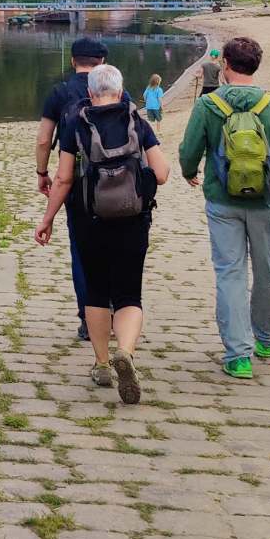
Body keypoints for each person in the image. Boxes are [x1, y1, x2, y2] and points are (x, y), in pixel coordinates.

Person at [179, 35, 270, 379]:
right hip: (266, 202)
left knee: (230, 272)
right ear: (256, 65)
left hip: (222, 201)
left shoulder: (208, 105)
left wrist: (189, 171)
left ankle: (238, 355)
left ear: (225, 64)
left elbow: (189, 150)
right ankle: (266, 338)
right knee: (267, 270)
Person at [35, 63, 171, 403]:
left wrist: (48, 218)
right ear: (122, 90)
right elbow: (163, 172)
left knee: (97, 291)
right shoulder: (136, 121)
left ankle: (101, 364)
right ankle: (125, 351)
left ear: (90, 92)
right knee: (129, 293)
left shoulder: (76, 124)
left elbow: (64, 179)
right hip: (133, 218)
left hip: (88, 219)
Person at [37, 37, 107, 341]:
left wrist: (42, 172)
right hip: (116, 183)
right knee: (114, 247)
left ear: (72, 61)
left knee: (81, 249)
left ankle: (87, 318)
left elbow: (43, 140)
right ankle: (114, 309)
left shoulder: (60, 92)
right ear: (102, 63)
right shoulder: (117, 90)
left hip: (76, 182)